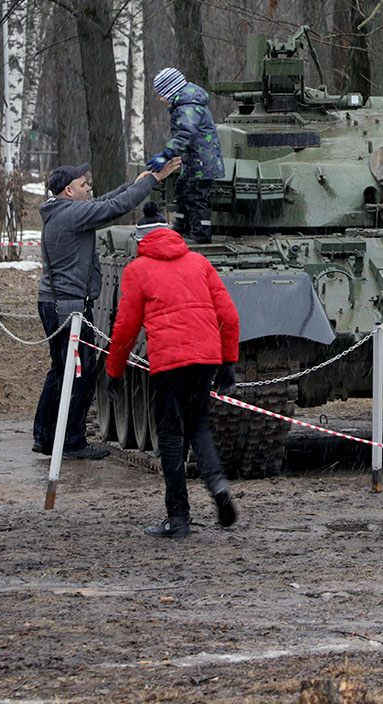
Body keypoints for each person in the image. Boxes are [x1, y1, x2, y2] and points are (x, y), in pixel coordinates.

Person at [105, 200, 241, 538]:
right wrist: (228, 362)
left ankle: (178, 518)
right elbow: (230, 316)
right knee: (198, 424)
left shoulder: (137, 270)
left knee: (169, 435)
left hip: (168, 361)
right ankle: (218, 484)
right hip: (205, 357)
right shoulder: (199, 261)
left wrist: (114, 371)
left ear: (140, 240)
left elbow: (125, 328)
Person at [32, 158, 180, 459]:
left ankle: (45, 435)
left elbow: (107, 200)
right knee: (80, 373)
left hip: (57, 303)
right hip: (69, 307)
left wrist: (140, 180)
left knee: (61, 370)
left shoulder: (62, 211)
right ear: (68, 191)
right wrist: (152, 181)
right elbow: (113, 208)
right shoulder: (71, 214)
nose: (90, 187)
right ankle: (71, 440)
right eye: (84, 184)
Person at [148, 67, 226, 244]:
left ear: (171, 90)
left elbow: (186, 133)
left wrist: (167, 153)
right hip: (193, 162)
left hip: (201, 163)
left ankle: (200, 234)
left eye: (162, 94)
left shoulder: (188, 106)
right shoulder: (186, 103)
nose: (161, 99)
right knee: (182, 190)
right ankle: (181, 225)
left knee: (196, 197)